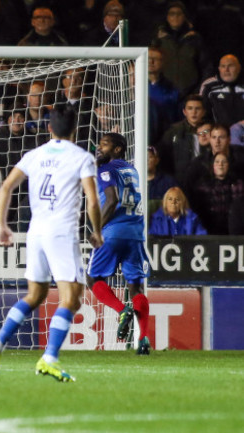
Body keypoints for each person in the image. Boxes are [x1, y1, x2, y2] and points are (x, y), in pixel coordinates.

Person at [0, 105, 103, 382]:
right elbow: (93, 200)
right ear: (75, 129)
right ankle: (49, 358)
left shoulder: (33, 155)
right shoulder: (82, 157)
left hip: (35, 232)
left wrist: (2, 225)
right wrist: (97, 231)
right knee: (72, 298)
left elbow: (6, 187)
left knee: (35, 295)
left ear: (49, 127)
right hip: (62, 233)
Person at [86, 133, 151, 356]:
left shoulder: (106, 170)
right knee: (135, 286)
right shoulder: (131, 170)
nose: (99, 149)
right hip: (135, 233)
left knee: (93, 278)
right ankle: (143, 338)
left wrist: (97, 229)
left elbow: (112, 199)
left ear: (117, 150)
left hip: (113, 232)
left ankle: (122, 310)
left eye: (104, 145)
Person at [188, 152, 244, 235]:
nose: (220, 164)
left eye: (223, 162)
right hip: (211, 229)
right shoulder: (203, 186)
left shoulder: (239, 184)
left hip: (234, 229)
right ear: (212, 165)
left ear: (228, 165)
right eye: (217, 162)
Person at [157, 94, 207, 186]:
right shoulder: (173, 131)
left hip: (205, 181)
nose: (194, 112)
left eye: (198, 109)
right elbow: (163, 158)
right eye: (190, 108)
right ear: (184, 112)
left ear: (204, 112)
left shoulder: (210, 131)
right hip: (179, 181)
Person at [199, 54, 244, 128]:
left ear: (239, 68)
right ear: (219, 68)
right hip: (219, 135)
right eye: (223, 66)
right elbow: (202, 114)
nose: (226, 70)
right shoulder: (209, 86)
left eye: (230, 66)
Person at [147, 146, 177, 220]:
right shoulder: (133, 182)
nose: (146, 160)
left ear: (156, 160)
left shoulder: (168, 182)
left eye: (150, 157)